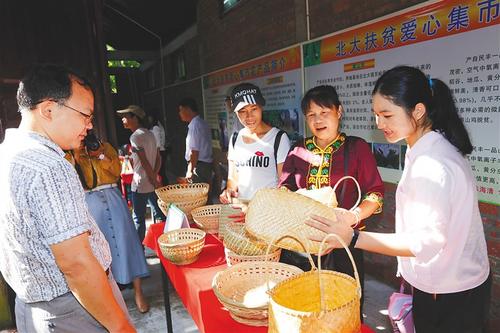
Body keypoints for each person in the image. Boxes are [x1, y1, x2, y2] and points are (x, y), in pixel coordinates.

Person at [306, 66, 491, 332]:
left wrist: (354, 237)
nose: (380, 124)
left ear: (418, 110)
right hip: (451, 283)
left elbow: (423, 242)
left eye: (387, 115)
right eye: (376, 115)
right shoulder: (426, 147)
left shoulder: (432, 163)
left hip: (451, 292)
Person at [0, 64, 134, 332]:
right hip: (74, 310)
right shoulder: (49, 166)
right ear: (48, 110)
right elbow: (76, 266)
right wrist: (120, 326)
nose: (90, 125)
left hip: (34, 308)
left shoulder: (8, 151)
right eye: (85, 114)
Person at [278, 85, 384, 313]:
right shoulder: (298, 150)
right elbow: (284, 188)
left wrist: (353, 216)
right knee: (306, 303)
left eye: (324, 112)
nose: (318, 120)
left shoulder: (357, 148)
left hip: (344, 240)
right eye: (311, 115)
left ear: (339, 111)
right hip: (304, 242)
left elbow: (375, 193)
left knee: (345, 304)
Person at [66, 139, 151, 313]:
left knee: (128, 242)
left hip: (112, 196)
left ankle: (138, 292)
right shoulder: (69, 154)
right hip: (89, 201)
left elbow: (117, 171)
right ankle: (110, 297)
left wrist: (101, 155)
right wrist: (75, 154)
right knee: (98, 249)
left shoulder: (105, 146)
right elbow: (68, 179)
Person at [219, 82, 291, 204]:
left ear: (261, 107)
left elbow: (284, 184)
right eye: (242, 111)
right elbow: (233, 176)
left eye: (254, 109)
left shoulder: (278, 138)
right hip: (242, 210)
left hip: (269, 211)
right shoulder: (235, 138)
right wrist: (229, 190)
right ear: (236, 112)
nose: (249, 116)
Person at [117, 105, 165, 243]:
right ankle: (162, 244)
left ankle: (139, 249)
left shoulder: (135, 137)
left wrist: (152, 178)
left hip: (140, 184)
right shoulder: (150, 134)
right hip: (150, 182)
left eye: (125, 117)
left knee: (138, 218)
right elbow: (158, 158)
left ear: (135, 118)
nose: (123, 120)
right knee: (159, 215)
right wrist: (154, 177)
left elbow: (144, 162)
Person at [178, 97, 213, 184]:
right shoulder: (202, 122)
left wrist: (190, 170)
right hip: (205, 165)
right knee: (204, 194)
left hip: (199, 166)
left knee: (198, 196)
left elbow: (194, 151)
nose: (179, 113)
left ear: (188, 109)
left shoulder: (195, 125)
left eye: (181, 110)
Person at [149, 114, 168, 185]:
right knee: (162, 172)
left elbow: (158, 143)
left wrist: (157, 154)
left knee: (161, 172)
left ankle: (165, 188)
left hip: (159, 151)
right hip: (160, 151)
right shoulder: (158, 126)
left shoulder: (156, 127)